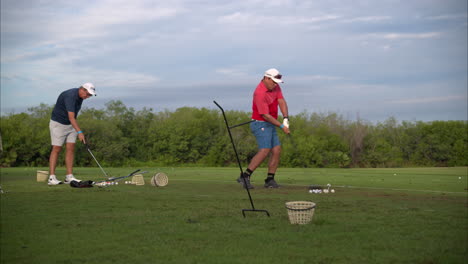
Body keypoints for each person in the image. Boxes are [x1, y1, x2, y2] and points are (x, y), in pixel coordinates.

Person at [237, 68, 290, 189]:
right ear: (266, 78)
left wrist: (286, 118)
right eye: (273, 81)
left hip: (271, 124)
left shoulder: (275, 87)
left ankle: (269, 180)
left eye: (276, 82)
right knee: (265, 150)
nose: (275, 84)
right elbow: (265, 115)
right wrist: (282, 126)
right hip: (260, 124)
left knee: (276, 150)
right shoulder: (259, 93)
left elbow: (281, 101)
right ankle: (245, 176)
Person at [47, 83, 96, 185]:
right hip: (58, 124)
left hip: (70, 125)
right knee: (56, 148)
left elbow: (72, 118)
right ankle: (51, 178)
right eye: (87, 94)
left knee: (71, 148)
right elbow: (71, 117)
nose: (88, 97)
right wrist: (80, 132)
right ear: (82, 89)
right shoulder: (70, 96)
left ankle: (69, 176)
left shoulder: (81, 97)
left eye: (90, 95)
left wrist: (76, 129)